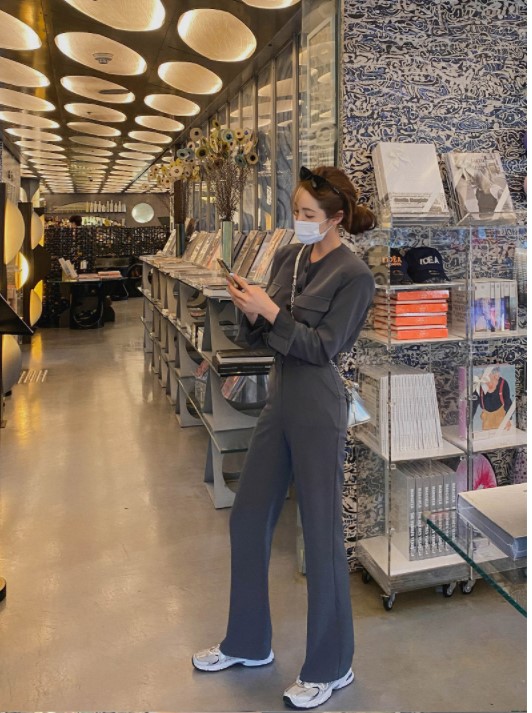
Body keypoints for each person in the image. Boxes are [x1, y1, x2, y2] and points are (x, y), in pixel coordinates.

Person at [192, 165, 376, 709]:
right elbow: (261, 336)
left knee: (320, 535)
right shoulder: (289, 258)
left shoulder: (354, 276)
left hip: (318, 403)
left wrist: (272, 312)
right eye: (296, 211)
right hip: (280, 398)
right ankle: (248, 643)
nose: (299, 220)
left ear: (336, 218)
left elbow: (323, 348)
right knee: (248, 517)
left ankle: (332, 666)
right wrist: (248, 308)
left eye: (309, 213)